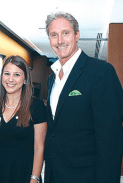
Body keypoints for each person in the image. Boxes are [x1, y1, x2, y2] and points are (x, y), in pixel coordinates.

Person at [44, 11, 123, 183]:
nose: (60, 41)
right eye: (54, 35)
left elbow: (111, 139)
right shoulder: (52, 79)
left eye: (66, 33)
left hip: (85, 176)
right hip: (55, 174)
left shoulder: (101, 72)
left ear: (77, 34)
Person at [0, 55, 47, 183]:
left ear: (25, 79)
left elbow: (39, 147)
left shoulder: (36, 106)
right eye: (7, 73)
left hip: (22, 171)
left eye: (17, 75)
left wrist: (35, 178)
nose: (10, 79)